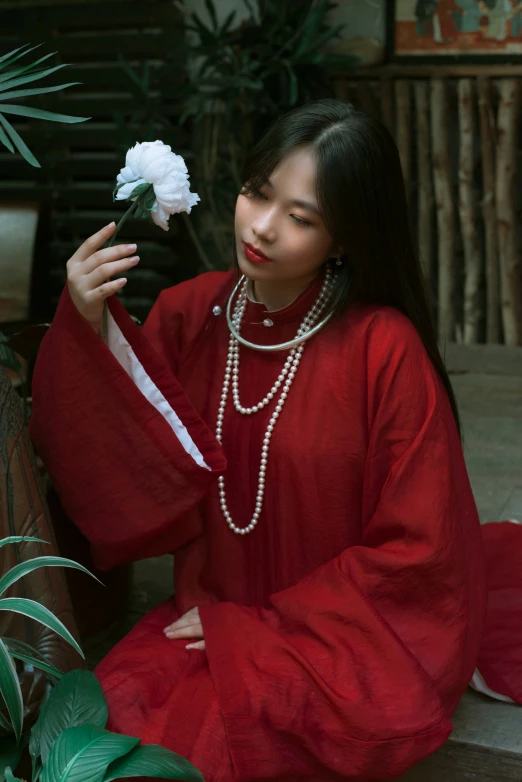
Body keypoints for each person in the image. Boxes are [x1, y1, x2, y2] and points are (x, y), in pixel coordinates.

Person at [30, 100, 487, 781]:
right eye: (257, 193)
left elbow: (420, 547)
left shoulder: (382, 348)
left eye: (300, 217)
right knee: (102, 731)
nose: (263, 228)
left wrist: (260, 628)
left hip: (334, 637)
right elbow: (135, 456)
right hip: (201, 609)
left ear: (345, 238)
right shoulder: (192, 311)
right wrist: (89, 325)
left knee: (215, 746)